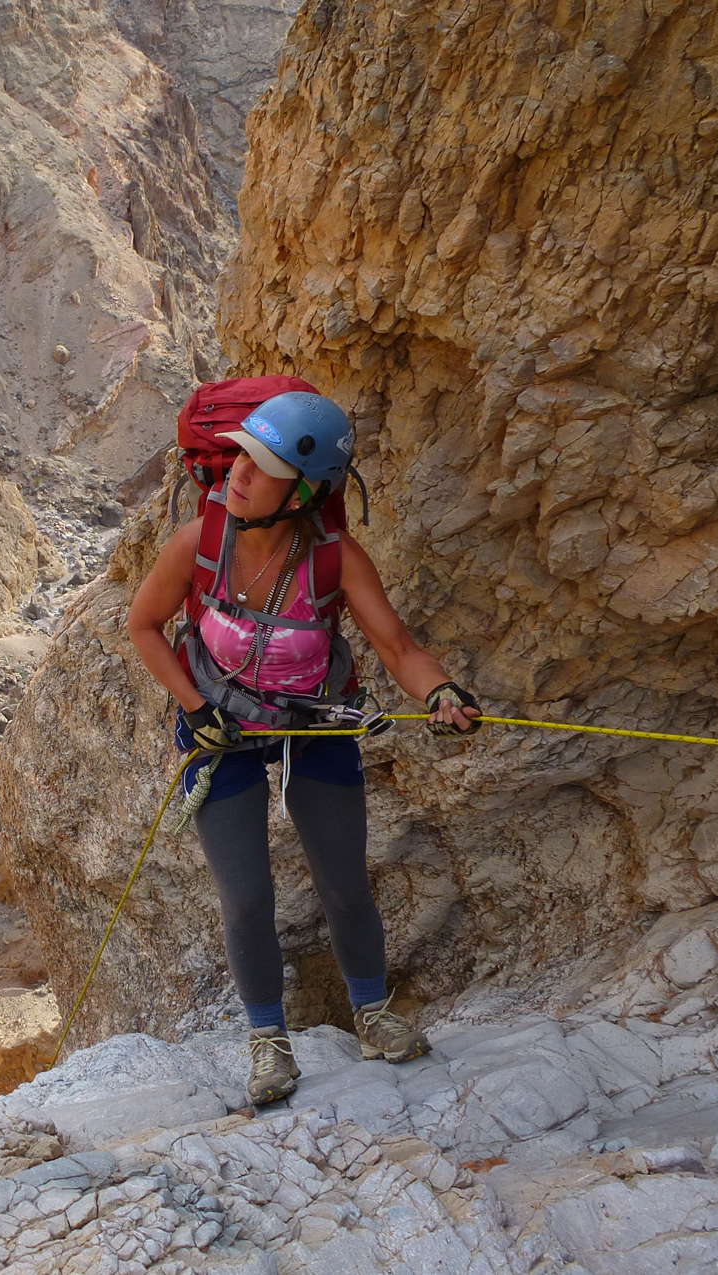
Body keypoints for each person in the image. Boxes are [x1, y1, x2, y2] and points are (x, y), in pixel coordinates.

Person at [126, 391, 482, 1107]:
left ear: (304, 493)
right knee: (246, 896)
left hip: (314, 720)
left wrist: (441, 692)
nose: (239, 474)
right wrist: (195, 708)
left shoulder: (333, 559)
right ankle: (268, 1039)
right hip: (220, 724)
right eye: (240, 458)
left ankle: (372, 1011)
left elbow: (398, 647)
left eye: (262, 467)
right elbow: (143, 625)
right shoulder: (199, 542)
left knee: (343, 880)